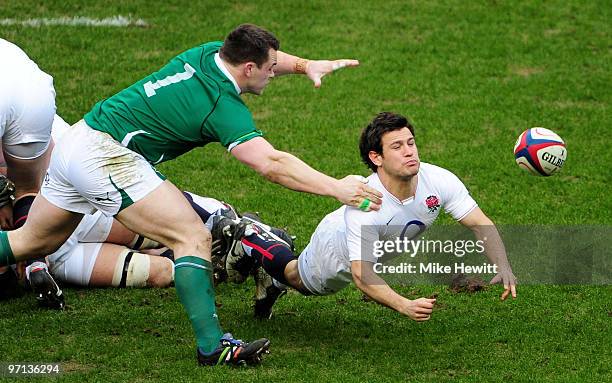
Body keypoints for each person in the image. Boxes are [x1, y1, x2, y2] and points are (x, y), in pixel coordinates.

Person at [0, 24, 383, 366]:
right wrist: (337, 187)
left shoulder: (208, 52)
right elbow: (271, 164)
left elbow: (266, 57)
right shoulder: (222, 107)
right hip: (106, 157)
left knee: (33, 241)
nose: (274, 72)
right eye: (271, 68)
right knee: (192, 237)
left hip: (78, 139)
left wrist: (305, 66)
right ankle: (213, 348)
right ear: (248, 69)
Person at [219, 112, 518, 321]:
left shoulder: (439, 180)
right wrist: (404, 305)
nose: (410, 152)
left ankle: (267, 269)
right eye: (397, 146)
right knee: (297, 278)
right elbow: (363, 276)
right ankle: (251, 239)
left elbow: (479, 223)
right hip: (335, 248)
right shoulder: (366, 205)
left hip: (374, 251)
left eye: (411, 142)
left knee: (290, 279)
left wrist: (502, 264)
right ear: (377, 158)